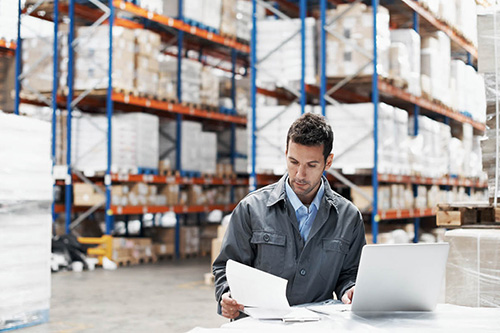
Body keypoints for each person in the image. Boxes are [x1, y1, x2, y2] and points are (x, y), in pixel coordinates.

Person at [213, 112, 366, 319]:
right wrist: (226, 294)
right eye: (293, 162)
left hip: (318, 326)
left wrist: (351, 290)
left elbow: (350, 274)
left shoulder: (349, 218)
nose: (300, 174)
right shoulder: (251, 209)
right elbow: (227, 266)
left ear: (328, 162)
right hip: (259, 326)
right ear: (286, 153)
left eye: (311, 165)